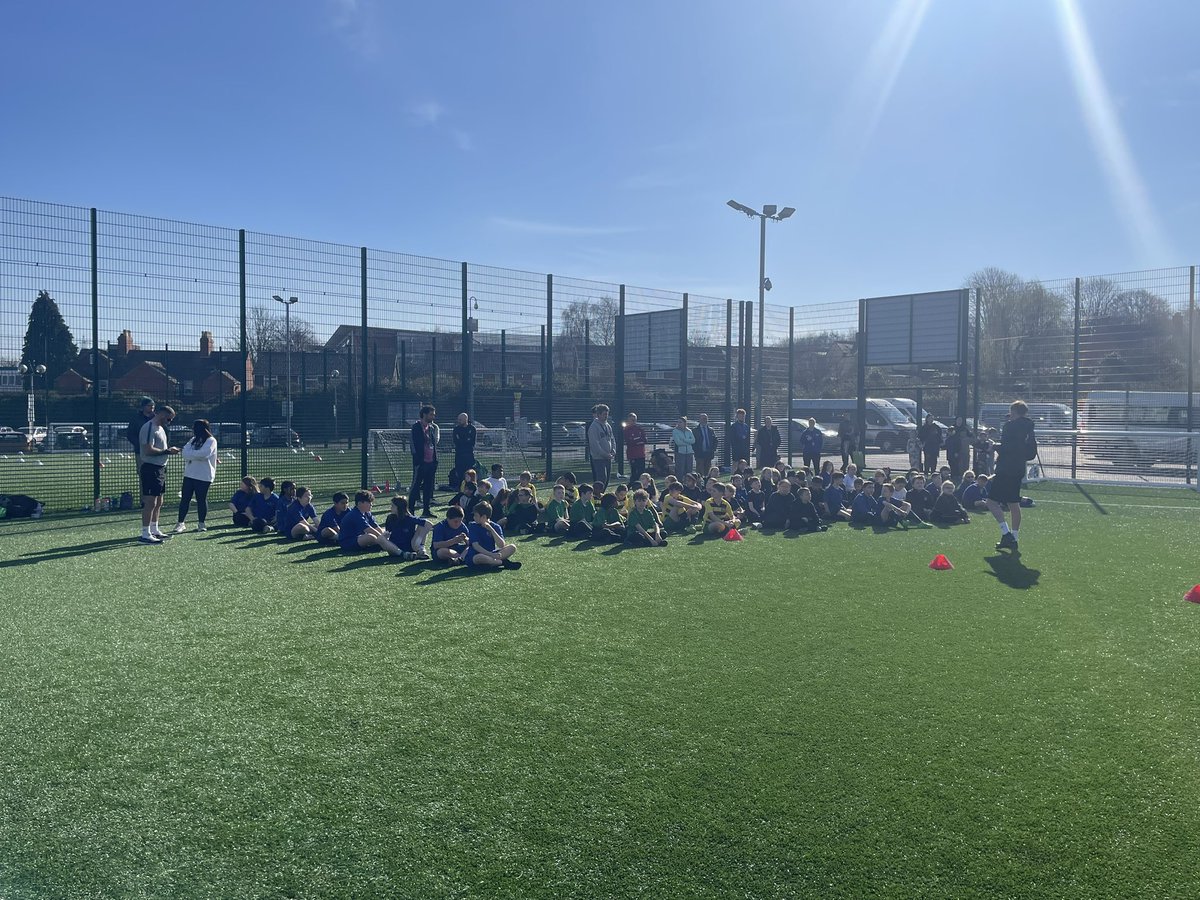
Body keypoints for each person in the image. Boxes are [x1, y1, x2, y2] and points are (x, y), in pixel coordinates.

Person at [987, 400, 1036, 551]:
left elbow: (1009, 447)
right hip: (1018, 469)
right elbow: (1029, 452)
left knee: (991, 502)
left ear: (1014, 411)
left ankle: (1006, 533)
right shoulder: (1029, 427)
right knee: (1013, 503)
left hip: (1006, 469)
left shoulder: (1010, 426)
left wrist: (994, 446)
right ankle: (1014, 538)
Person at [137, 404, 180, 543]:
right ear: (161, 415)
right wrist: (167, 451)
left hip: (160, 467)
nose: (169, 422)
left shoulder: (161, 428)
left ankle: (154, 529)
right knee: (150, 501)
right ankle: (145, 533)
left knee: (159, 501)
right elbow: (148, 450)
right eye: (168, 419)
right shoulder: (149, 427)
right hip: (151, 468)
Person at [173, 418, 217, 533]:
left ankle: (201, 523)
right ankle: (180, 523)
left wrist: (191, 455)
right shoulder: (193, 440)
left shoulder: (211, 441)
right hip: (189, 474)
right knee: (185, 499)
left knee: (201, 499)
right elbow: (184, 452)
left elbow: (204, 454)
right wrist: (192, 455)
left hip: (204, 475)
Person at [339, 490, 403, 555]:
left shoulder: (367, 513)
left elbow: (376, 527)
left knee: (383, 530)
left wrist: (383, 534)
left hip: (360, 538)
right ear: (360, 503)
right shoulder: (354, 514)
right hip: (348, 541)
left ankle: (382, 545)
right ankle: (384, 545)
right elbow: (369, 529)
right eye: (369, 502)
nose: (371, 504)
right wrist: (383, 538)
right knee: (371, 537)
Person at [467, 501, 521, 568]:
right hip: (477, 554)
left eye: (476, 516)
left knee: (512, 547)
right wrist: (491, 555)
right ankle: (502, 562)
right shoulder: (473, 526)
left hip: (492, 553)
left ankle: (493, 563)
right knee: (479, 557)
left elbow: (501, 545)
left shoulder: (495, 526)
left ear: (483, 517)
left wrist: (491, 530)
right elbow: (476, 546)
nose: (474, 518)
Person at [408, 405, 439, 518]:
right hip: (421, 463)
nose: (433, 417)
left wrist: (435, 460)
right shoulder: (416, 427)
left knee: (428, 487)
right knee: (415, 487)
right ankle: (410, 511)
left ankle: (426, 510)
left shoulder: (431, 428)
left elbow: (433, 444)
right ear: (424, 414)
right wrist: (418, 461)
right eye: (431, 414)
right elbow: (413, 446)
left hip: (431, 463)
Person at [386, 495, 432, 560]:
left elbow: (429, 524)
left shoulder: (410, 518)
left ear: (399, 508)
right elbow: (388, 532)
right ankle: (408, 553)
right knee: (380, 538)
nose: (390, 508)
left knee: (422, 526)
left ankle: (420, 549)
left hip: (408, 547)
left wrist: (420, 540)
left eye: (393, 506)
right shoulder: (390, 518)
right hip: (394, 548)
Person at [587, 404, 617, 489]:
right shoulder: (594, 427)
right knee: (601, 478)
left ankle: (601, 496)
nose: (606, 416)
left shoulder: (608, 426)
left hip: (608, 457)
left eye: (607, 414)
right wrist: (604, 454)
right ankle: (597, 497)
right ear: (598, 414)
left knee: (607, 479)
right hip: (598, 458)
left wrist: (613, 450)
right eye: (604, 414)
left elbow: (612, 439)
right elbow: (595, 444)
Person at [126, 395, 155, 463]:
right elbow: (130, 434)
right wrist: (139, 444)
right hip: (140, 451)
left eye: (153, 405)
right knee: (142, 471)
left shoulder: (156, 418)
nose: (152, 407)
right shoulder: (136, 419)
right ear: (143, 407)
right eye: (149, 405)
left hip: (156, 451)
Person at [451, 413, 477, 489]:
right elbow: (456, 442)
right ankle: (460, 487)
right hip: (459, 454)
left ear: (466, 419)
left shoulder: (472, 429)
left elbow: (471, 442)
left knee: (470, 471)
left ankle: (471, 487)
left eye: (460, 420)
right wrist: (465, 441)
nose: (459, 421)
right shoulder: (456, 429)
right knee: (459, 471)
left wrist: (463, 441)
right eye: (458, 419)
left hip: (469, 455)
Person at [947, 417, 973, 482]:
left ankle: (965, 477)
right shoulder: (952, 428)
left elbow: (971, 437)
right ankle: (955, 477)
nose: (959, 421)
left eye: (961, 420)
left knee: (965, 464)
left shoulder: (965, 428)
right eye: (958, 420)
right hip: (954, 450)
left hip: (964, 450)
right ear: (956, 420)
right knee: (956, 464)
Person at [624, 412, 647, 482]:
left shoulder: (639, 429)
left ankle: (642, 486)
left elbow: (645, 440)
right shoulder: (626, 430)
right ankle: (632, 486)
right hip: (632, 454)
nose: (633, 422)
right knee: (634, 472)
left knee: (641, 472)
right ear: (628, 421)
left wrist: (636, 440)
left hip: (641, 453)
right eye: (631, 420)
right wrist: (637, 440)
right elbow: (629, 441)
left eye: (634, 420)